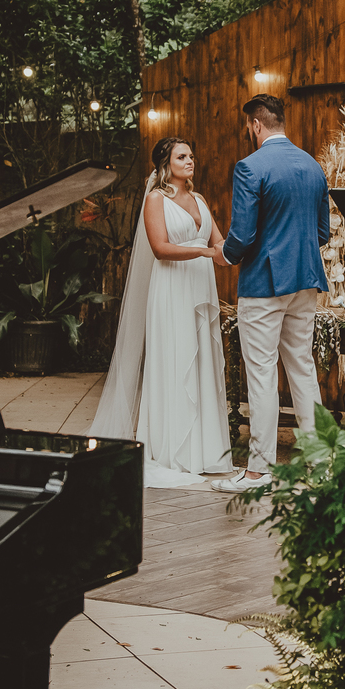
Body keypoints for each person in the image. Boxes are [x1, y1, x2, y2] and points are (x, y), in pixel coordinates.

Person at [89, 137, 233, 488]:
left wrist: (244, 246)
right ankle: (173, 450)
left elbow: (219, 242)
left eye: (191, 156)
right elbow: (160, 248)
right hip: (171, 291)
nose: (190, 161)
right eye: (181, 156)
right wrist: (202, 253)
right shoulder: (156, 199)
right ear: (165, 164)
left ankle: (205, 451)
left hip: (200, 289)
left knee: (202, 362)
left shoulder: (199, 199)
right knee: (175, 360)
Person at [210, 95, 330, 493]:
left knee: (261, 373)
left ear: (255, 126)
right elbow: (323, 233)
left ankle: (259, 471)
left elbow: (241, 235)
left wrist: (225, 256)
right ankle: (320, 463)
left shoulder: (250, 166)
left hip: (263, 283)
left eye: (249, 127)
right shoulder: (313, 165)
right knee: (302, 368)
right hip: (306, 280)